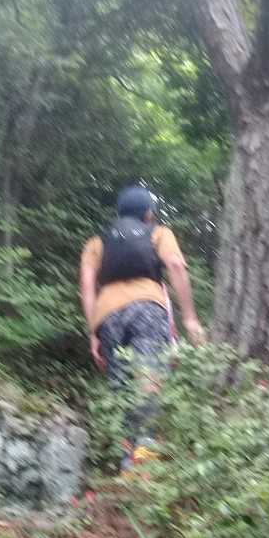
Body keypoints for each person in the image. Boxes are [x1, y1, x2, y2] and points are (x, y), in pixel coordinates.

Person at [79, 185, 205, 470]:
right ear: (148, 214)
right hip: (148, 308)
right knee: (149, 377)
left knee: (121, 385)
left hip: (108, 315)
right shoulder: (159, 233)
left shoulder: (96, 242)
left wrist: (93, 332)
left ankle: (128, 460)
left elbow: (87, 285)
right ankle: (146, 455)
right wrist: (189, 317)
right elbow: (175, 265)